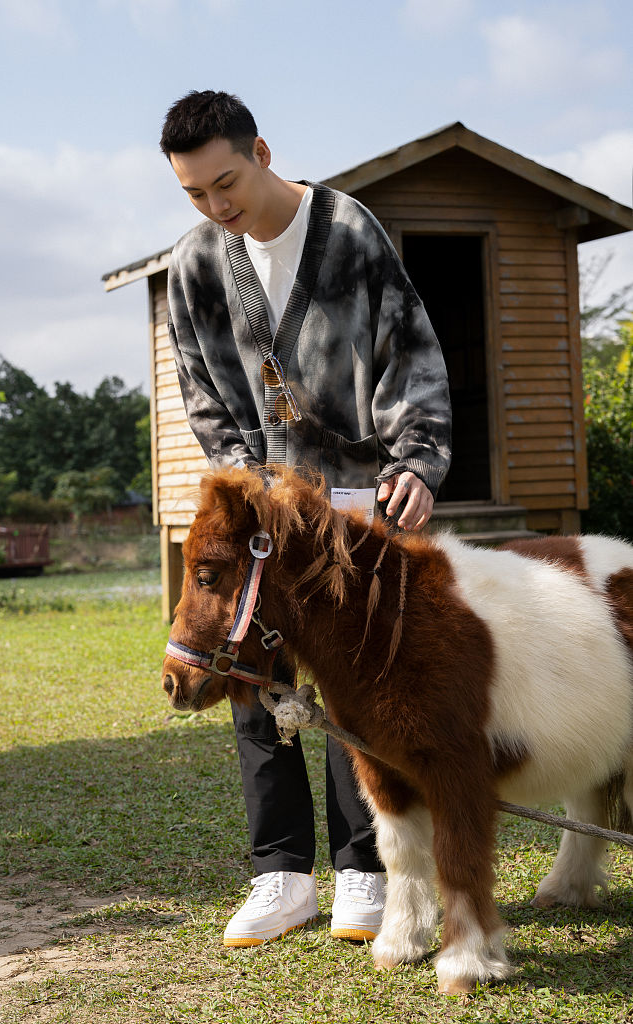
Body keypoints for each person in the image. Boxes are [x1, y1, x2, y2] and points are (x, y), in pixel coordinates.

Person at [159, 90, 452, 949]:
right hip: (256, 512)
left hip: (356, 506)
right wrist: (251, 486)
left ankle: (363, 872)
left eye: (225, 183)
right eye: (194, 194)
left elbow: (410, 350)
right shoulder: (195, 261)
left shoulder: (348, 230)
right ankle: (280, 877)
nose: (217, 207)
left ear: (261, 149)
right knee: (254, 678)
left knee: (355, 683)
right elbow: (202, 393)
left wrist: (416, 460)